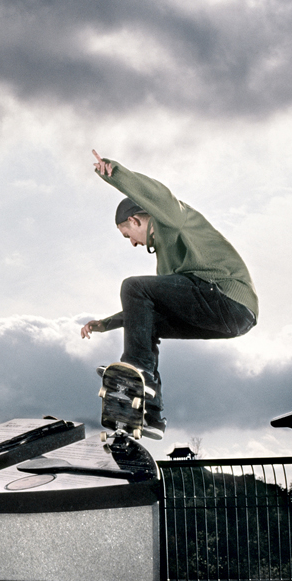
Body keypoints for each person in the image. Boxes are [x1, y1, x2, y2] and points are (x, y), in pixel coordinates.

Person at [79, 150, 257, 431]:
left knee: (133, 285)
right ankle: (151, 414)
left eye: (128, 235)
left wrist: (115, 174)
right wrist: (105, 324)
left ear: (136, 220)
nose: (132, 244)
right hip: (227, 317)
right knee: (147, 320)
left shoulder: (172, 220)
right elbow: (141, 312)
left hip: (227, 297)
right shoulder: (168, 266)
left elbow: (160, 197)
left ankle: (138, 373)